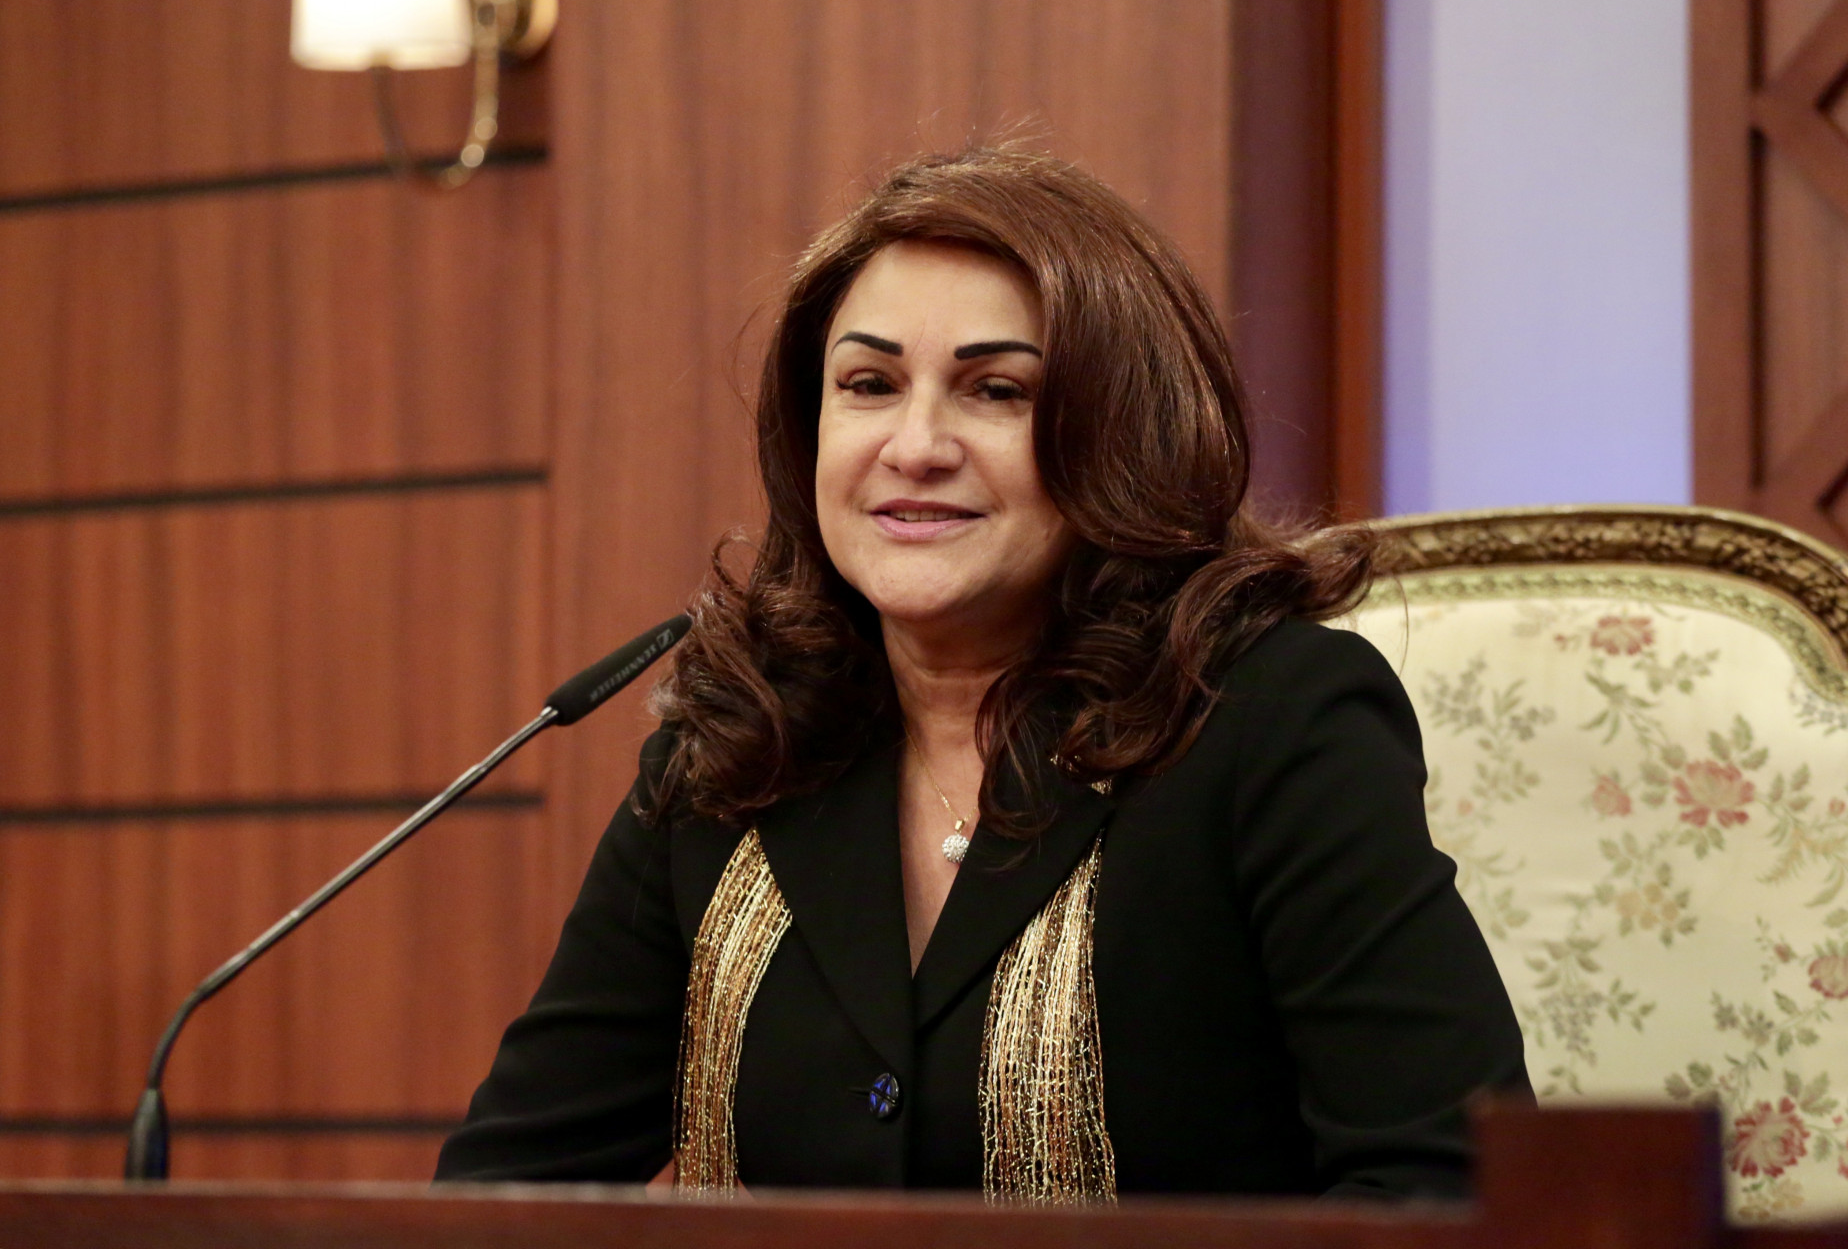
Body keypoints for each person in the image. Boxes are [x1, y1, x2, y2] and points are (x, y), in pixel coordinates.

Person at [435, 147, 1530, 1199]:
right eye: (869, 384)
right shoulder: (740, 744)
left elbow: (1447, 1190)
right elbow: (501, 1198)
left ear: (1121, 434)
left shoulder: (1271, 721)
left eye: (996, 390)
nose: (915, 445)